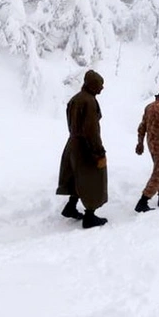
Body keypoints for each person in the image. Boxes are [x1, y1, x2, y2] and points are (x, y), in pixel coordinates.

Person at [56, 70, 109, 229]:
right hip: (85, 147)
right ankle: (90, 217)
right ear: (93, 85)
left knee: (75, 177)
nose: (102, 88)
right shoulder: (89, 101)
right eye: (100, 85)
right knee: (92, 178)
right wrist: (98, 151)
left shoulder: (75, 99)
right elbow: (91, 130)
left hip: (72, 143)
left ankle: (71, 207)